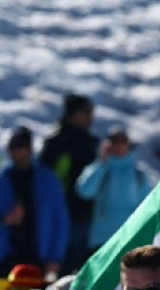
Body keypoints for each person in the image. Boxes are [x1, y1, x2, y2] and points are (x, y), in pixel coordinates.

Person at [0, 127, 70, 282]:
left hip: (38, 254)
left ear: (29, 148)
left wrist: (55, 257)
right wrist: (3, 220)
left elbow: (60, 220)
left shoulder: (47, 179)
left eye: (20, 145)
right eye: (11, 146)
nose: (15, 151)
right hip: (5, 255)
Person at [40, 94, 100, 272]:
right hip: (64, 214)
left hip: (89, 216)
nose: (90, 116)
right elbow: (50, 182)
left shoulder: (90, 141)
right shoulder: (58, 143)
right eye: (86, 111)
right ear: (72, 113)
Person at [74, 128, 154, 259]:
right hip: (102, 240)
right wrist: (102, 163)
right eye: (114, 141)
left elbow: (147, 207)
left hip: (130, 239)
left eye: (122, 141)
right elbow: (84, 191)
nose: (119, 145)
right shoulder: (99, 167)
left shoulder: (139, 174)